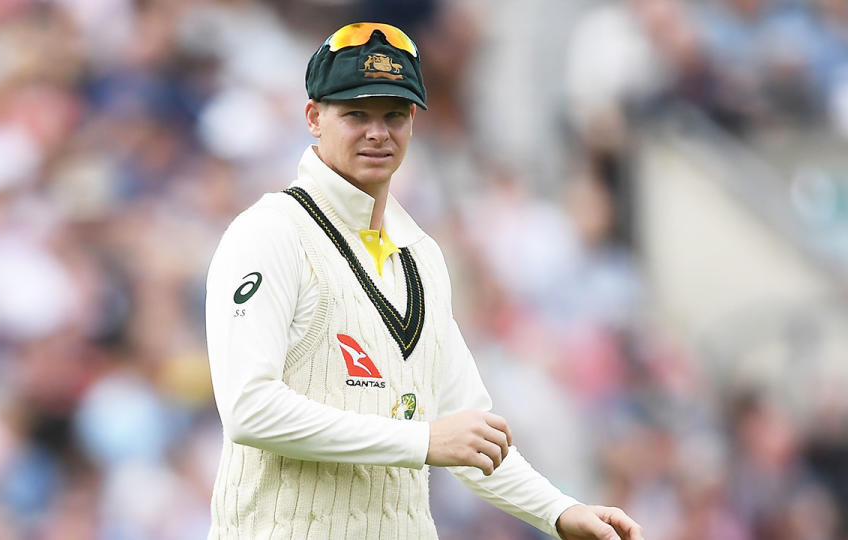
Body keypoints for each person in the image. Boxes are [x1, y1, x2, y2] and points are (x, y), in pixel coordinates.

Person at [204, 22, 645, 540]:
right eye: (355, 113)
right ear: (313, 118)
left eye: (393, 114)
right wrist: (421, 441)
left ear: (413, 120)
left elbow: (468, 431)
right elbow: (249, 411)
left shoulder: (420, 257)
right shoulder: (270, 232)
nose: (377, 132)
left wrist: (560, 512)